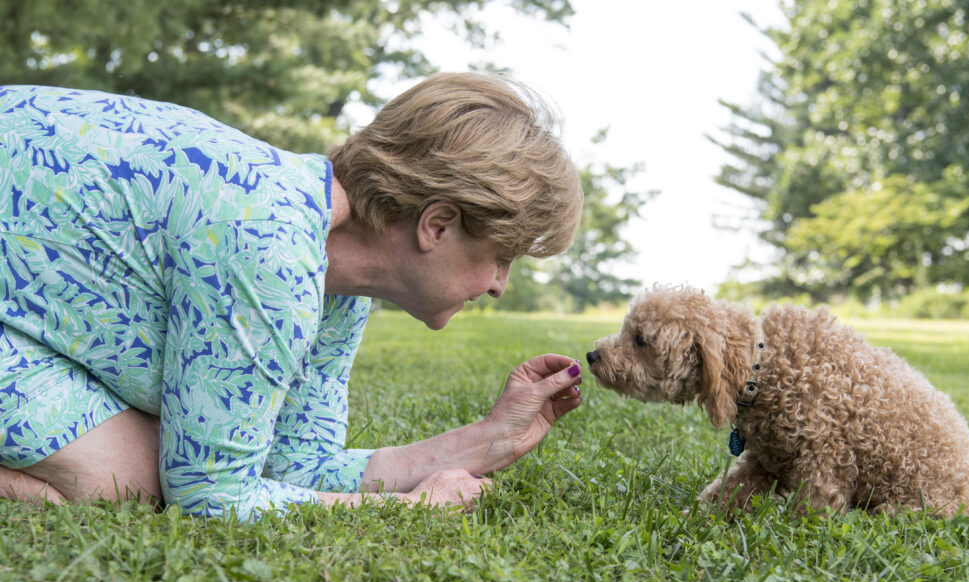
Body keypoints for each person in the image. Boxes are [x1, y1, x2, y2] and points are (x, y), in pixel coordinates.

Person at [0, 73, 584, 518]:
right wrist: (410, 509)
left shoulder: (337, 277)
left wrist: (484, 440)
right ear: (437, 224)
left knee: (147, 459)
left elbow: (298, 464)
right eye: (501, 256)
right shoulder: (269, 239)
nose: (499, 285)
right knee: (128, 477)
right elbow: (210, 495)